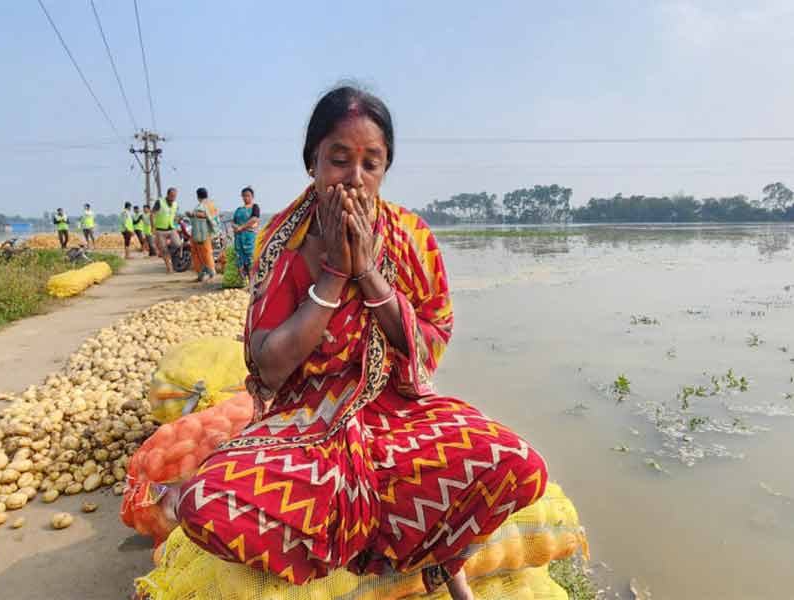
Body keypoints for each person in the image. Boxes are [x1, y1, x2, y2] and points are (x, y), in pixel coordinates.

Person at [167, 86, 547, 600]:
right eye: (339, 160)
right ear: (312, 163)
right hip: (304, 423)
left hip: (394, 409)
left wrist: (368, 273)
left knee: (518, 463)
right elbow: (271, 369)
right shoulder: (282, 240)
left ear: (387, 168)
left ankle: (439, 552)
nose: (355, 178)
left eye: (372, 163)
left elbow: (430, 341)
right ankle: (397, 548)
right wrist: (333, 278)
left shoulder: (411, 236)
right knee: (204, 504)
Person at [187, 187, 218, 282]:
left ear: (197, 196)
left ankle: (210, 273)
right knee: (203, 253)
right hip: (207, 232)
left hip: (201, 233)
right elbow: (214, 219)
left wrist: (193, 214)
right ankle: (204, 273)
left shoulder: (203, 205)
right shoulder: (212, 205)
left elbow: (204, 215)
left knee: (202, 253)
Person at [232, 186, 260, 282]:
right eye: (244, 196)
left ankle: (252, 281)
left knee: (250, 257)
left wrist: (241, 227)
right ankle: (243, 282)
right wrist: (235, 227)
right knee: (239, 257)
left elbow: (254, 219)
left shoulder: (255, 207)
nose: (246, 198)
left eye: (248, 196)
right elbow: (233, 221)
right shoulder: (239, 209)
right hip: (239, 237)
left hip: (249, 237)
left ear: (252, 196)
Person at [153, 187, 181, 273]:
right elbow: (152, 214)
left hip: (171, 228)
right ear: (168, 195)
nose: (173, 198)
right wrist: (152, 227)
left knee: (178, 244)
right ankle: (169, 268)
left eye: (175, 196)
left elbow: (174, 215)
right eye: (172, 196)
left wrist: (177, 220)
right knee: (163, 249)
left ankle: (170, 254)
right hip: (160, 230)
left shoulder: (175, 204)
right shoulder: (160, 202)